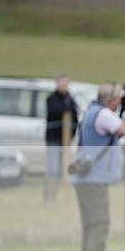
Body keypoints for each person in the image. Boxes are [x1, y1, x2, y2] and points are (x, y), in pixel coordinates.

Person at [71, 81, 125, 251]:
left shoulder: (93, 111)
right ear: (112, 100)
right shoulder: (103, 114)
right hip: (93, 178)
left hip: (86, 176)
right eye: (118, 99)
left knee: (90, 223)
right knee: (100, 222)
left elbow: (114, 135)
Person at [44, 74, 79, 202]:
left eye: (66, 83)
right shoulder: (52, 99)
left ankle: (57, 195)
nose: (64, 86)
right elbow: (57, 111)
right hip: (54, 139)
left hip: (66, 141)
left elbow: (74, 115)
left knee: (62, 169)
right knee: (52, 169)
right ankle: (49, 196)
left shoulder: (70, 99)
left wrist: (72, 136)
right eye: (62, 83)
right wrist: (68, 109)